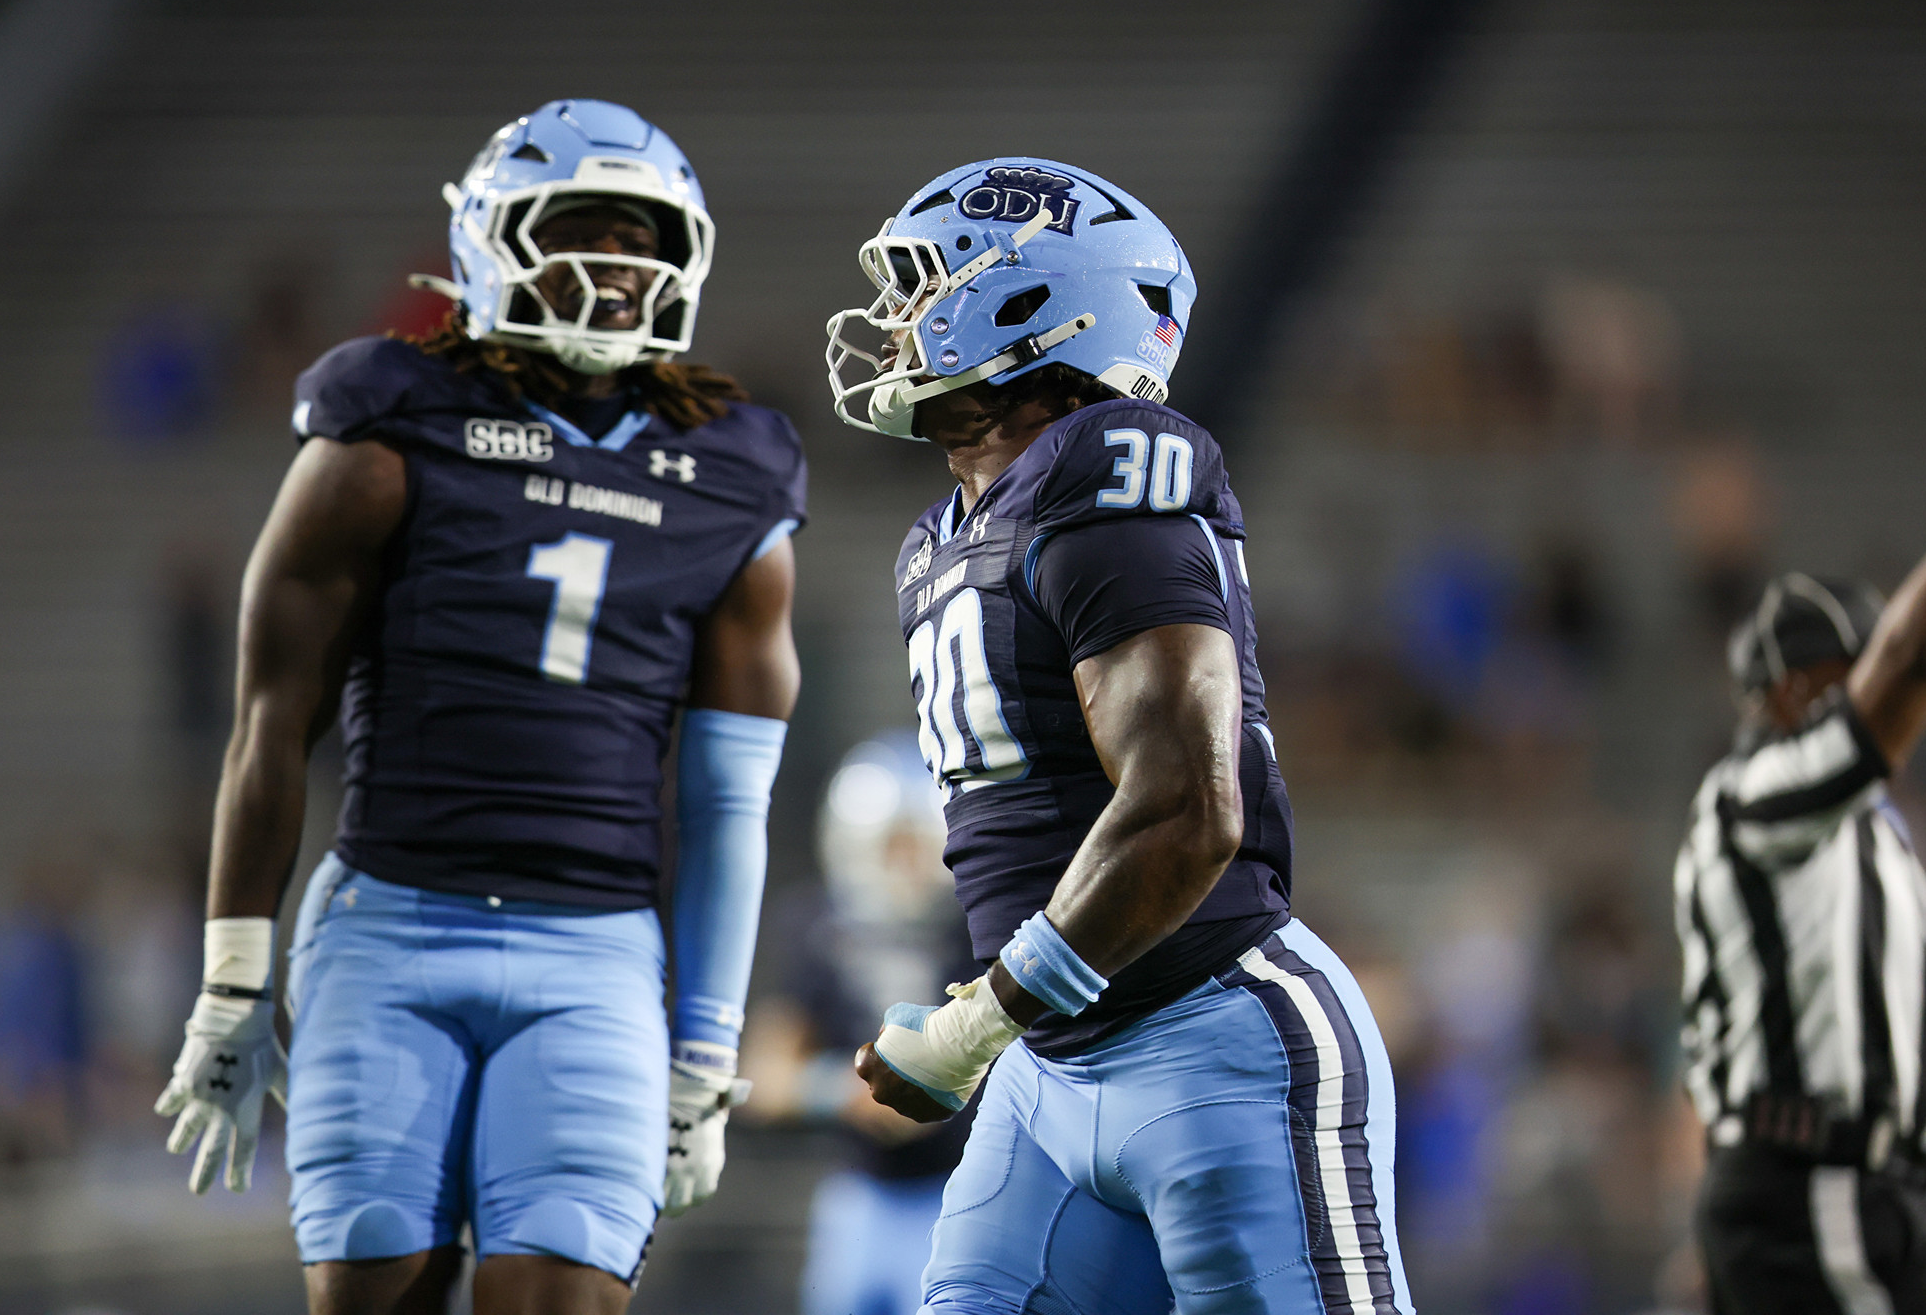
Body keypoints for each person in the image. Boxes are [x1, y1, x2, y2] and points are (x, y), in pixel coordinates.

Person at [153, 100, 804, 1315]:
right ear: (494, 241)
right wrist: (232, 982)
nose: (619, 268)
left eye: (643, 241)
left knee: (557, 1298)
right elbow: (270, 723)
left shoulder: (732, 471)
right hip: (390, 931)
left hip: (596, 954)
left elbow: (729, 801)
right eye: (585, 233)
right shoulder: (386, 425)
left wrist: (706, 1049)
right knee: (377, 1295)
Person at [825, 158, 1412, 1314]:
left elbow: (1187, 811)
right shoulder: (943, 538)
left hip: (1216, 1037)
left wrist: (979, 1021)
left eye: (925, 283)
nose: (895, 317)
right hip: (1049, 1069)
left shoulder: (1103, 476)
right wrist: (1001, 1022)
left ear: (1032, 302)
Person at [1677, 560, 1926, 1315]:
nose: (1875, 700)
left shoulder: (1870, 840)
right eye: (1852, 672)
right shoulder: (1751, 794)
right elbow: (1911, 659)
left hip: (1865, 1194)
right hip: (1814, 1186)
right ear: (1791, 691)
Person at [744, 735, 983, 1315]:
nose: (903, 866)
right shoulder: (818, 928)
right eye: (888, 845)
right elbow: (764, 1077)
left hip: (970, 1190)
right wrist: (842, 1092)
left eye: (915, 845)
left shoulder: (977, 928)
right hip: (861, 1196)